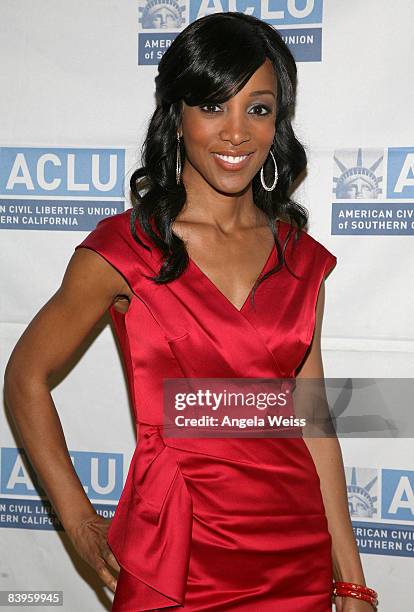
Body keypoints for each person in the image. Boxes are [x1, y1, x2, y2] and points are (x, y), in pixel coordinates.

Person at [4, 11, 379, 612]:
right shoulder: (123, 251)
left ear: (278, 122)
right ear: (177, 116)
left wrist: (351, 579)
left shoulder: (301, 261)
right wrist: (77, 520)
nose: (237, 132)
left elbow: (314, 424)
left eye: (257, 109)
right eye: (212, 106)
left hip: (295, 554)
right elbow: (25, 377)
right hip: (176, 557)